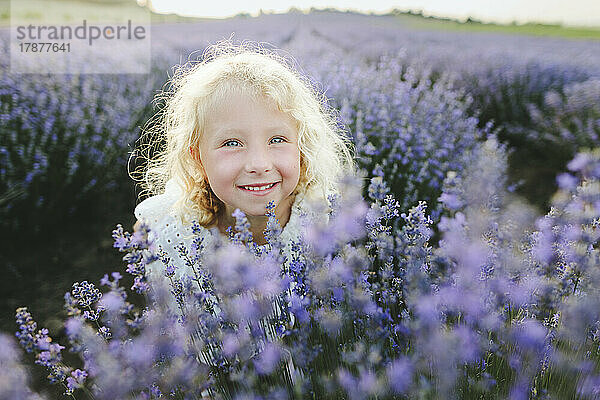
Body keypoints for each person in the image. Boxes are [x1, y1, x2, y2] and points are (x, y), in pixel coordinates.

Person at [133, 40, 356, 288]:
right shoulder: (169, 234)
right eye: (231, 143)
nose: (259, 164)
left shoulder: (329, 228)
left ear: (302, 150)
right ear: (198, 159)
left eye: (277, 139)